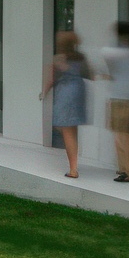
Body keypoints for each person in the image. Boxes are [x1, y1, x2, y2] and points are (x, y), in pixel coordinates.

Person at [43, 31, 88, 178]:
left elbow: (51, 79)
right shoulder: (81, 58)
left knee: (67, 131)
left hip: (66, 94)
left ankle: (73, 169)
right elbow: (88, 73)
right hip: (79, 92)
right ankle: (74, 164)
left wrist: (43, 93)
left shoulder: (58, 58)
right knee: (72, 130)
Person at [103, 21, 129, 183]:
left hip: (120, 97)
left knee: (120, 136)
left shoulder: (114, 53)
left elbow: (108, 67)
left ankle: (127, 172)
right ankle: (124, 167)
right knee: (125, 135)